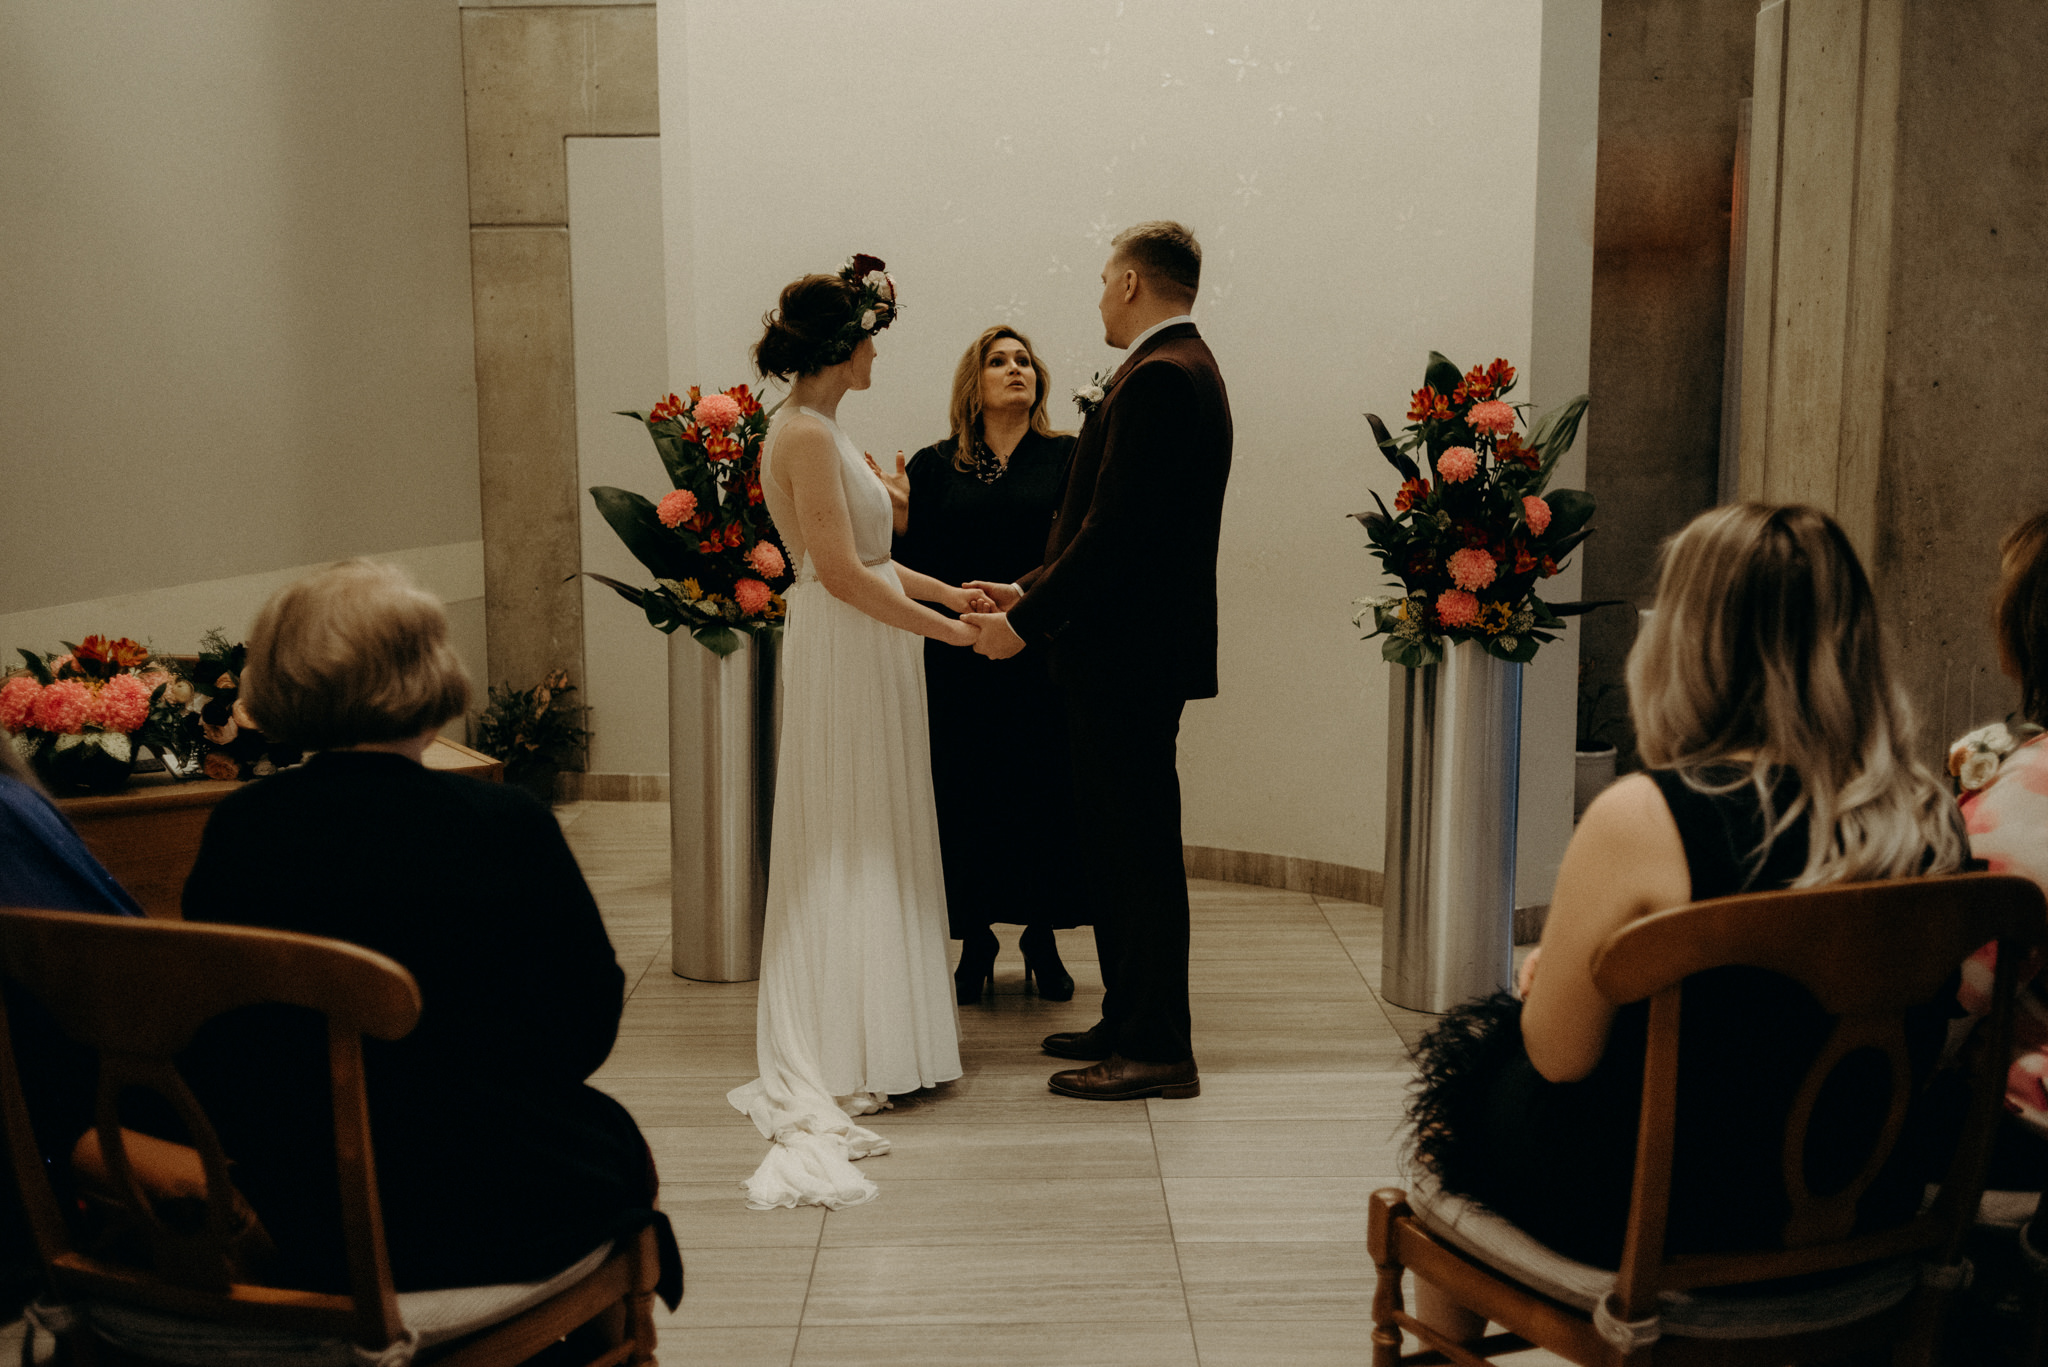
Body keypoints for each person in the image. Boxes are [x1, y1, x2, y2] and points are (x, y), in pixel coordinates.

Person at [1404, 505, 1965, 1334]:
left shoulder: (1647, 816)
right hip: (1868, 1200)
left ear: (1688, 642)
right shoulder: (1927, 812)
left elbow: (1558, 1058)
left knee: (1466, 1088)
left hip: (1664, 1223)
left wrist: (1560, 979)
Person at [178, 560, 681, 1307]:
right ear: (431, 674)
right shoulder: (502, 822)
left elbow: (225, 1030)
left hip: (308, 1211)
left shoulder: (239, 828)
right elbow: (583, 1026)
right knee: (606, 1143)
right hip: (493, 1204)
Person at [727, 257, 982, 1210]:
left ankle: (890, 1030)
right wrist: (957, 635)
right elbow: (837, 574)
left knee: (882, 822)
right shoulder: (798, 433)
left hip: (871, 641)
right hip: (846, 643)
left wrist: (951, 592)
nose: (879, 349)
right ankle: (847, 1037)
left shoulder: (824, 427)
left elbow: (876, 559)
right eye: (871, 335)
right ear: (842, 346)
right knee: (849, 828)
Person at [962, 221, 1233, 1102]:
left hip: (1128, 657)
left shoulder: (1160, 378)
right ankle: (1128, 1017)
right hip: (1129, 652)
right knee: (1119, 850)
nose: (1098, 296)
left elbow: (1118, 536)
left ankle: (1156, 1048)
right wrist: (1026, 586)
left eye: (1102, 280)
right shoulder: (1178, 369)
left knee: (1138, 855)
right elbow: (1103, 527)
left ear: (1128, 285)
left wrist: (1027, 622)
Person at [870, 325, 1083, 1004]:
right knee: (966, 793)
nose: (1015, 368)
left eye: (1024, 360)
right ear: (976, 382)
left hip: (1038, 652)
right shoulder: (937, 465)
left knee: (1044, 790)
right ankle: (977, 939)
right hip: (960, 657)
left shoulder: (1068, 456)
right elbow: (921, 561)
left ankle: (1042, 935)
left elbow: (1079, 549)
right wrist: (899, 518)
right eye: (999, 361)